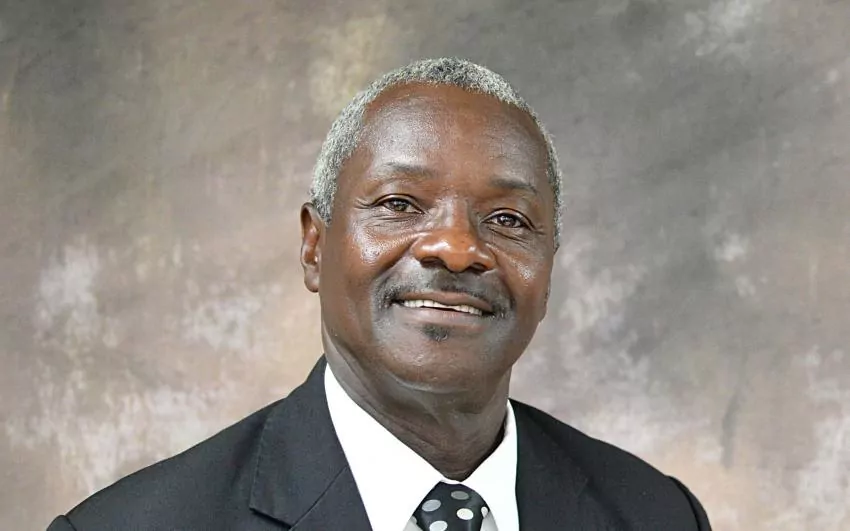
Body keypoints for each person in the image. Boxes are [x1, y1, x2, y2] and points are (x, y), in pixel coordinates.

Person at [48, 57, 711, 531]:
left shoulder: (658, 514)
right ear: (314, 246)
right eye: (400, 204)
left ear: (548, 269)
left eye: (508, 219)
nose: (456, 247)